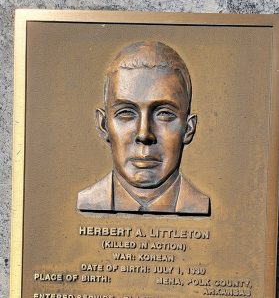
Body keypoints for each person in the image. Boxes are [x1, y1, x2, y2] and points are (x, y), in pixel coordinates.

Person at [77, 41, 210, 214]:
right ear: (103, 125)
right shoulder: (89, 201)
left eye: (164, 114)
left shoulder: (198, 205)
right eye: (126, 113)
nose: (144, 134)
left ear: (188, 128)